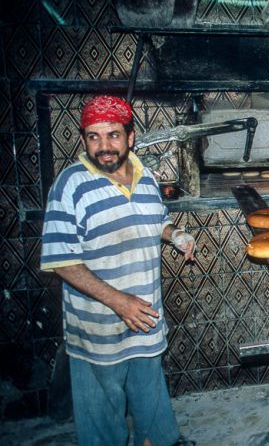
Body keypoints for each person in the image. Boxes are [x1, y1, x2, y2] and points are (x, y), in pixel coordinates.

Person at [40, 95, 196, 446]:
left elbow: (157, 220)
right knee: (102, 422)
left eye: (112, 135)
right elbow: (61, 260)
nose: (104, 146)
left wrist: (175, 235)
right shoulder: (70, 186)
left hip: (144, 317)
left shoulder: (146, 176)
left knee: (152, 404)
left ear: (131, 137)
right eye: (93, 137)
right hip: (98, 329)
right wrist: (118, 302)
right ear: (83, 139)